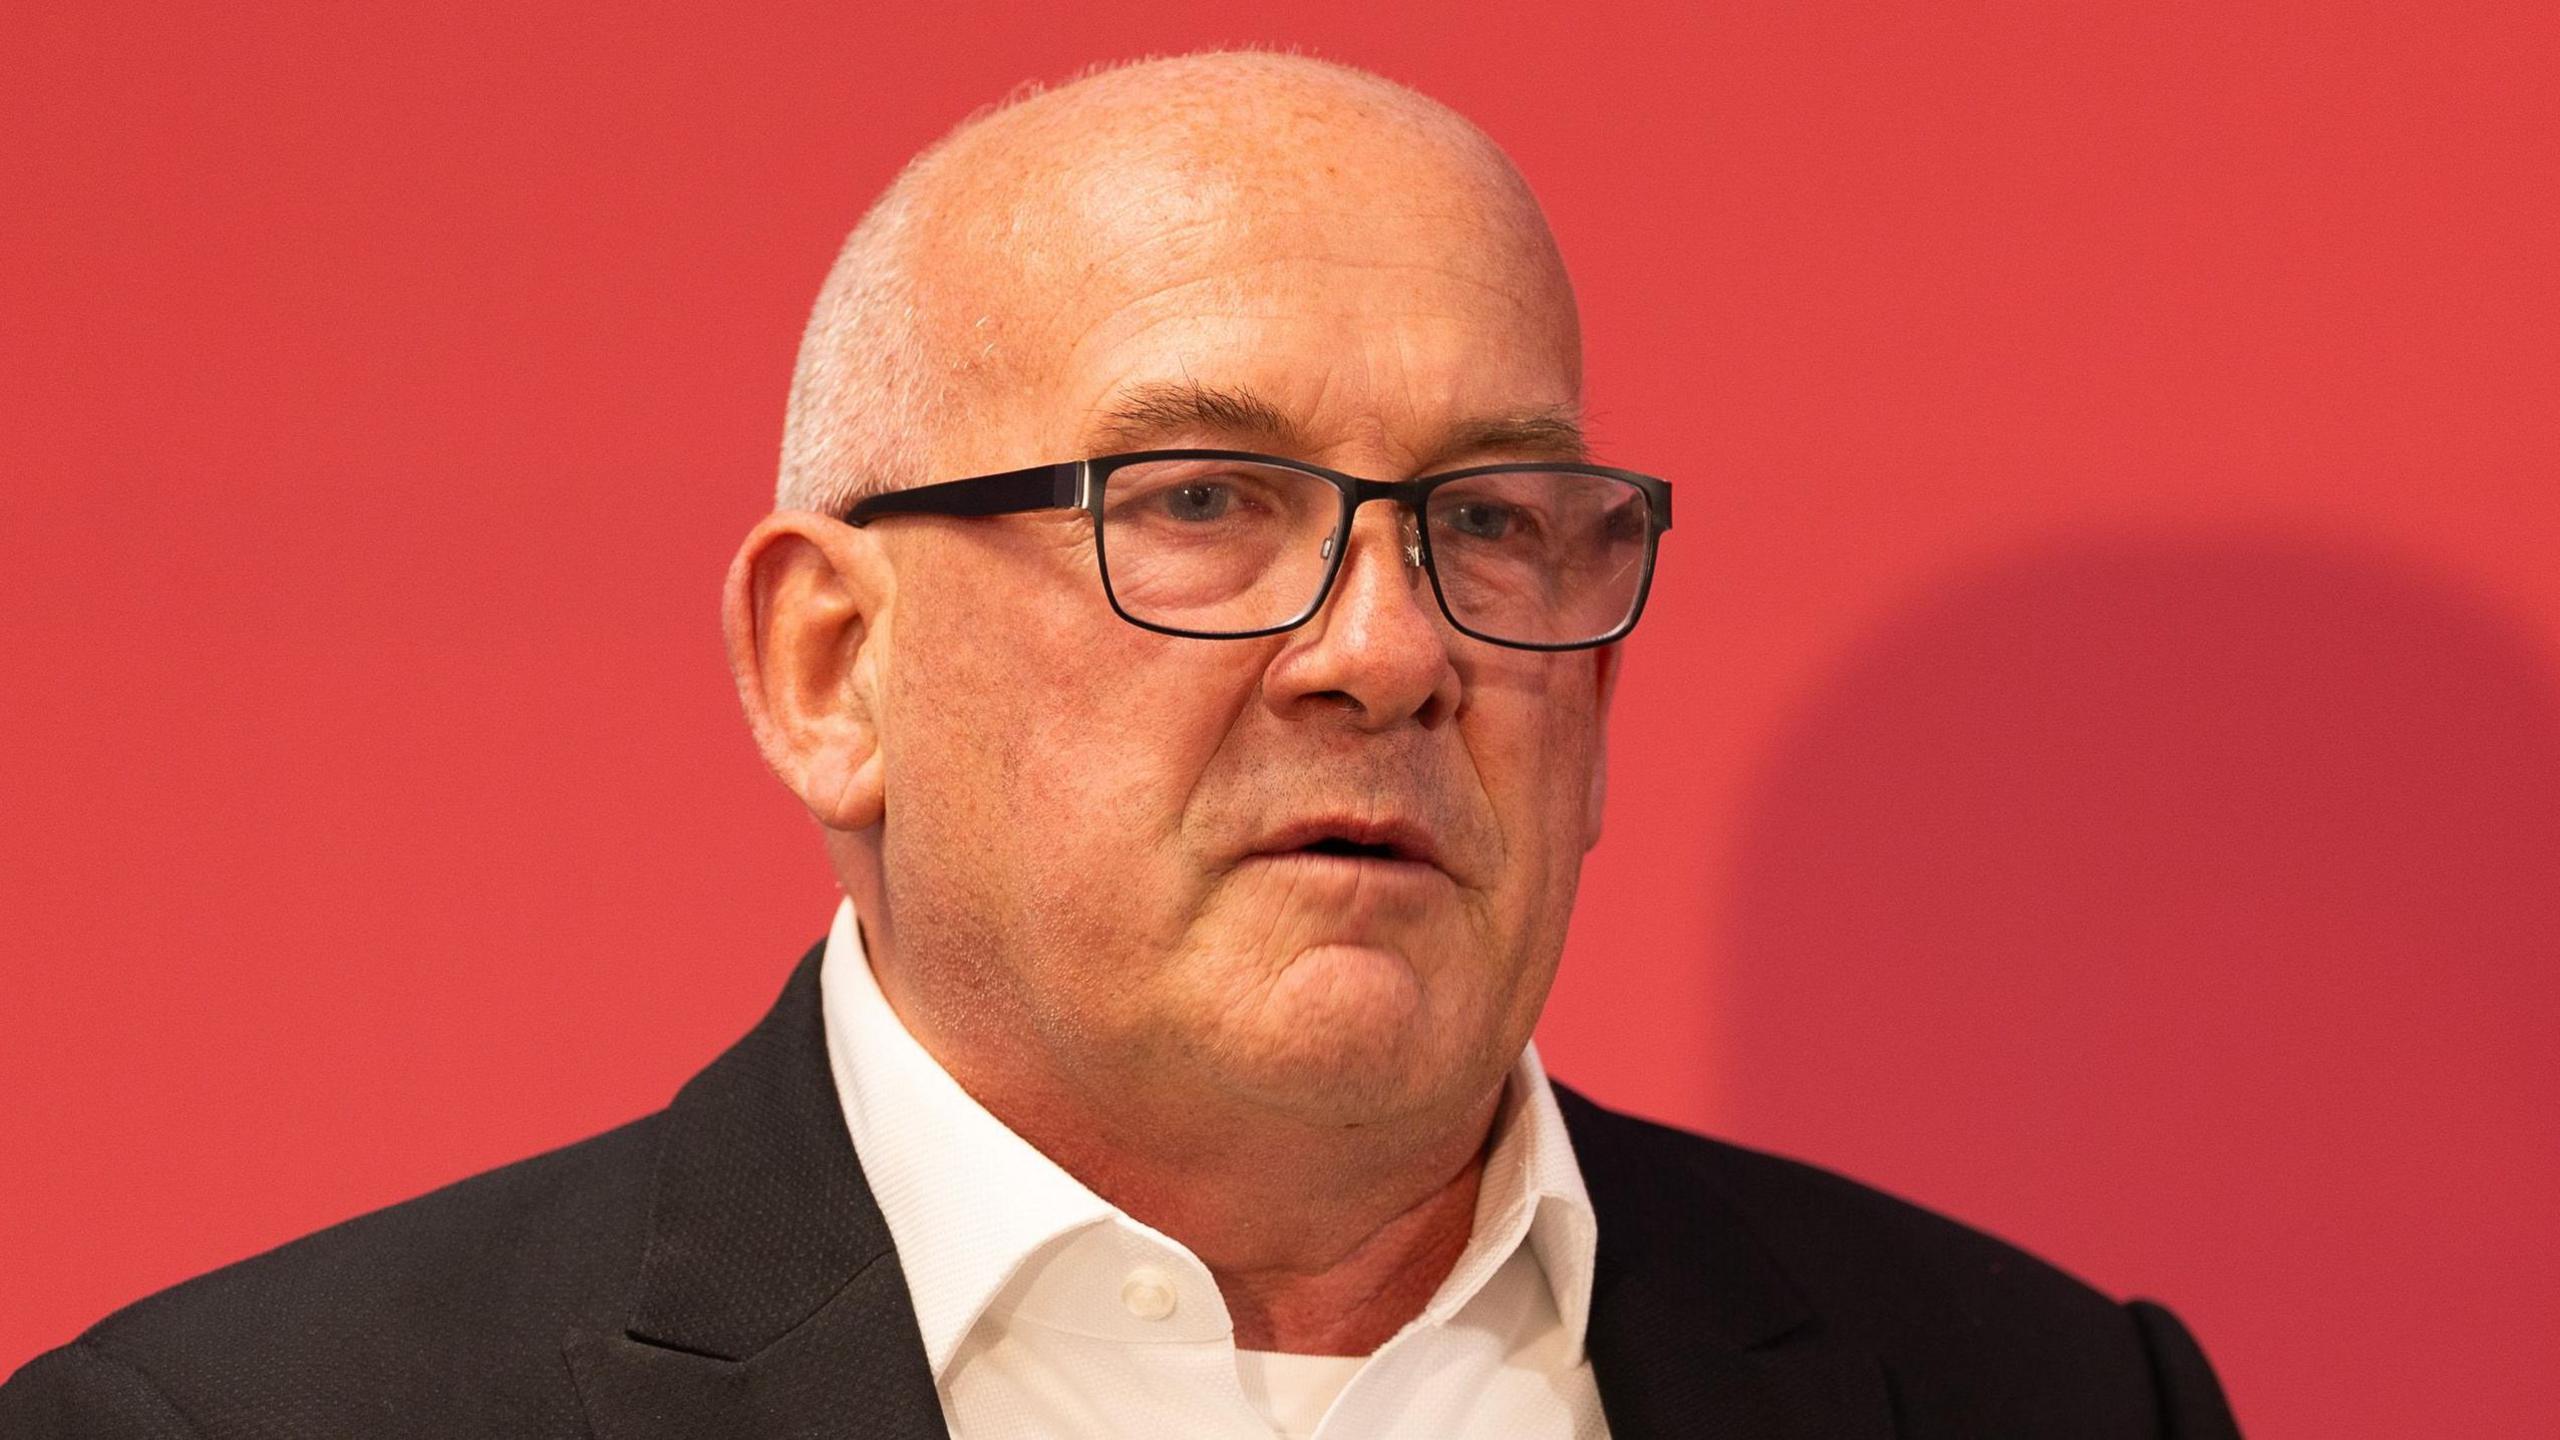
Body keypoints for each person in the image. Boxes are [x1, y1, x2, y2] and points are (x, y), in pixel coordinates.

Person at [0, 51, 2241, 1440]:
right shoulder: (254, 1429)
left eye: (1488, 519)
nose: (1382, 648)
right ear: (826, 662)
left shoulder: (2033, 1399)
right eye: (1196, 503)